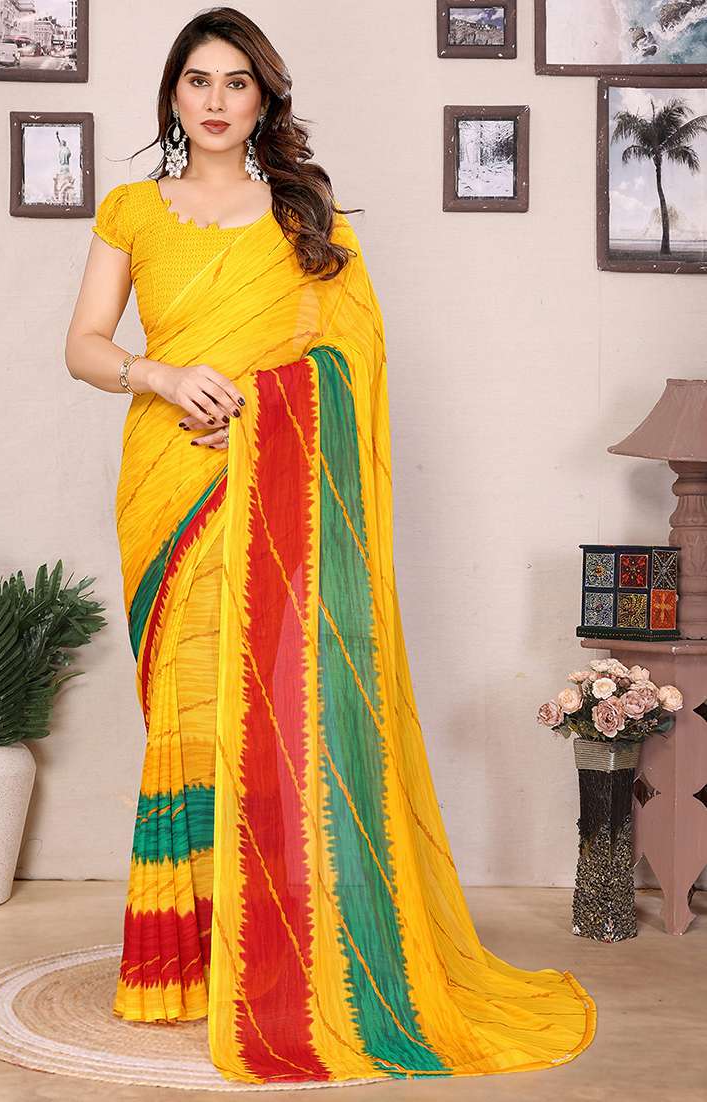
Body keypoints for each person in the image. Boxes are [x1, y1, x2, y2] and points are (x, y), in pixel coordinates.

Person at [64, 5, 596, 1087]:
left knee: (269, 705)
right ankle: (182, 961)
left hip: (272, 492)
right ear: (172, 95)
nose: (215, 100)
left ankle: (283, 948)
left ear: (264, 98)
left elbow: (353, 360)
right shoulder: (131, 210)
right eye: (198, 80)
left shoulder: (302, 213)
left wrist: (262, 414)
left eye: (236, 83)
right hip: (166, 488)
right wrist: (160, 374)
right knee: (187, 714)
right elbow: (82, 345)